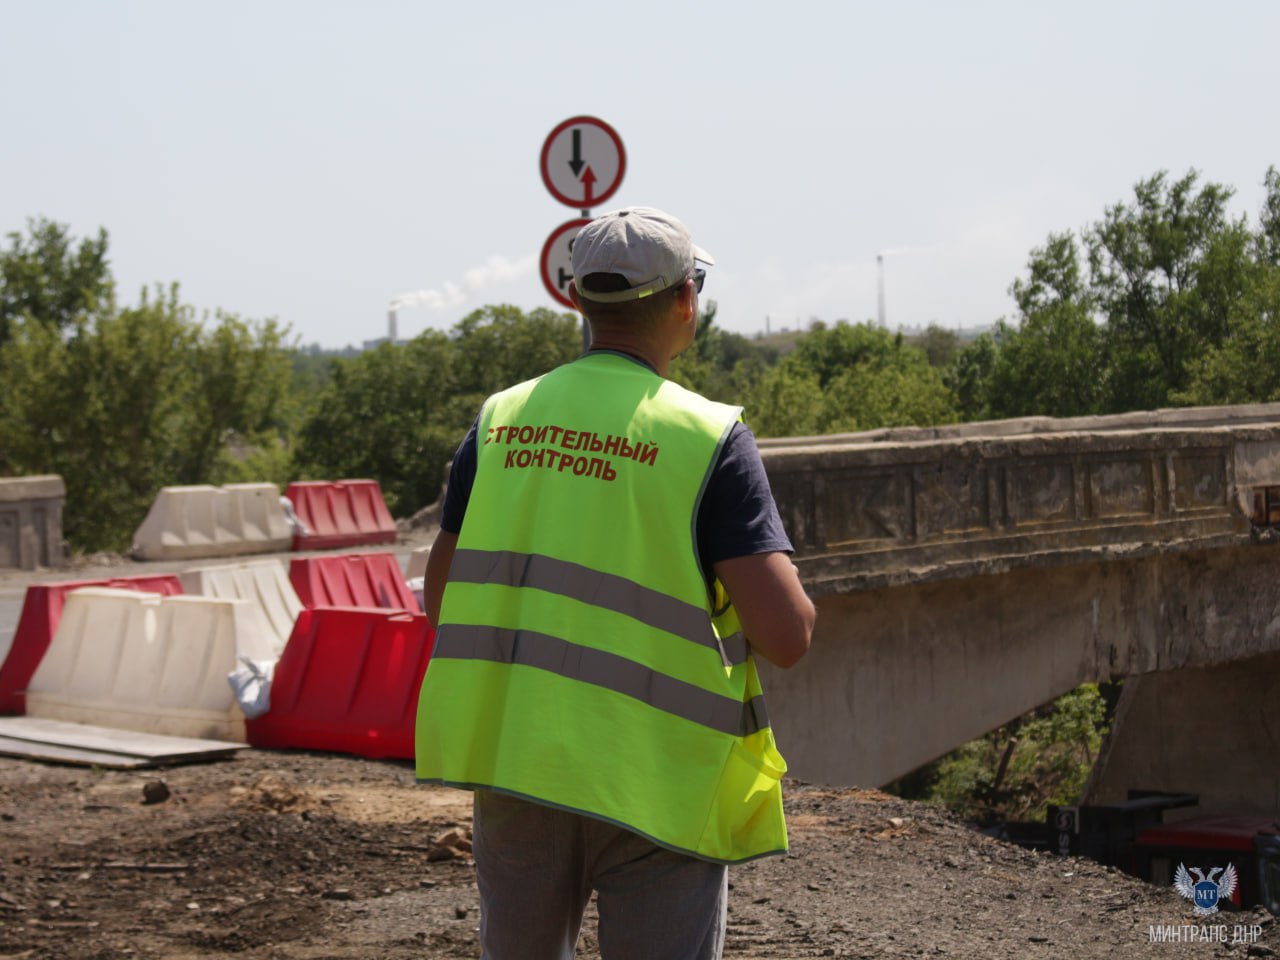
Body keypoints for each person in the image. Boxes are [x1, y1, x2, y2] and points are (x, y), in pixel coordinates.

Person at [415, 206, 816, 960]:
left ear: (577, 299)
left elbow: (443, 599)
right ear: (684, 301)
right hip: (655, 780)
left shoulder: (501, 421)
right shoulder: (708, 439)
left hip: (516, 763)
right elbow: (786, 637)